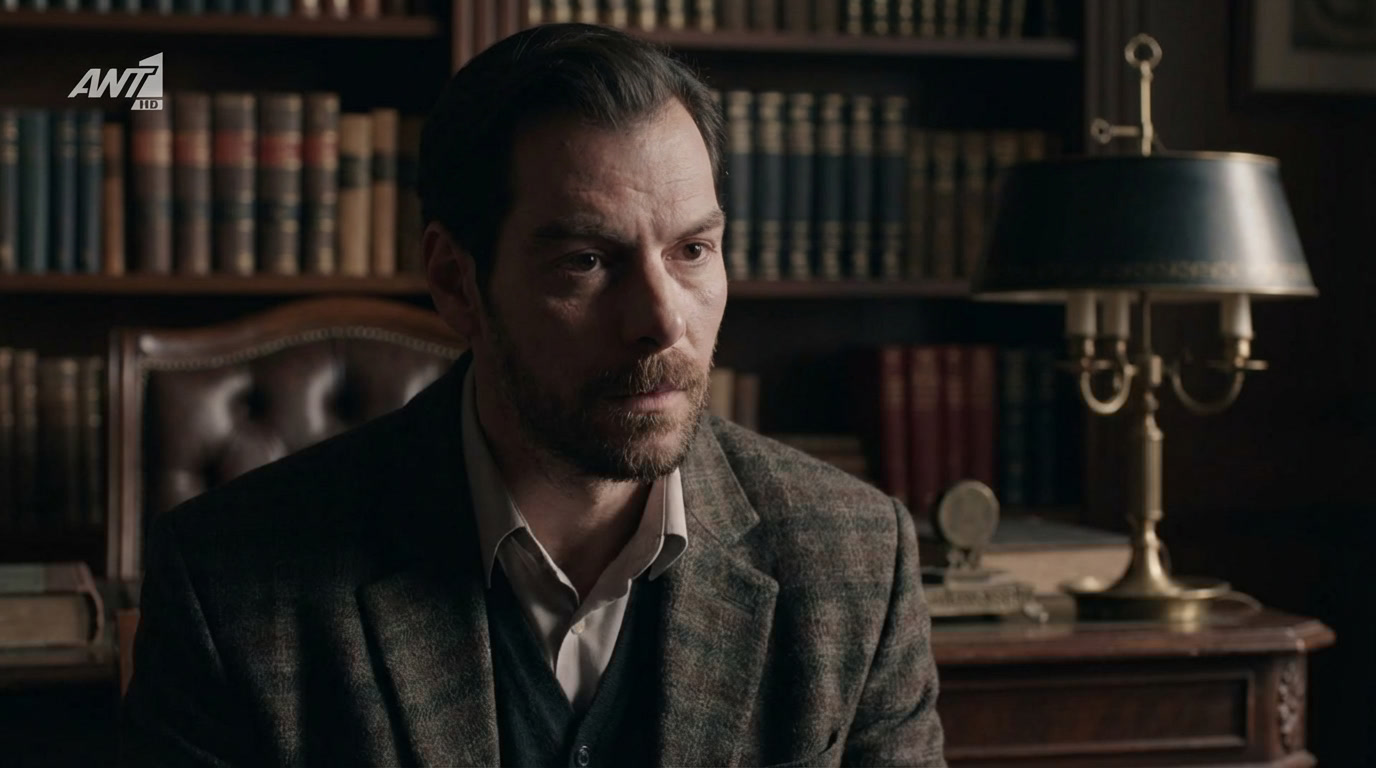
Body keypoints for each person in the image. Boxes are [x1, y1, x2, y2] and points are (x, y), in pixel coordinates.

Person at [120, 22, 945, 767]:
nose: (662, 321)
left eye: (692, 251)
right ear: (457, 282)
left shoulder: (855, 563)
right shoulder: (231, 587)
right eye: (587, 261)